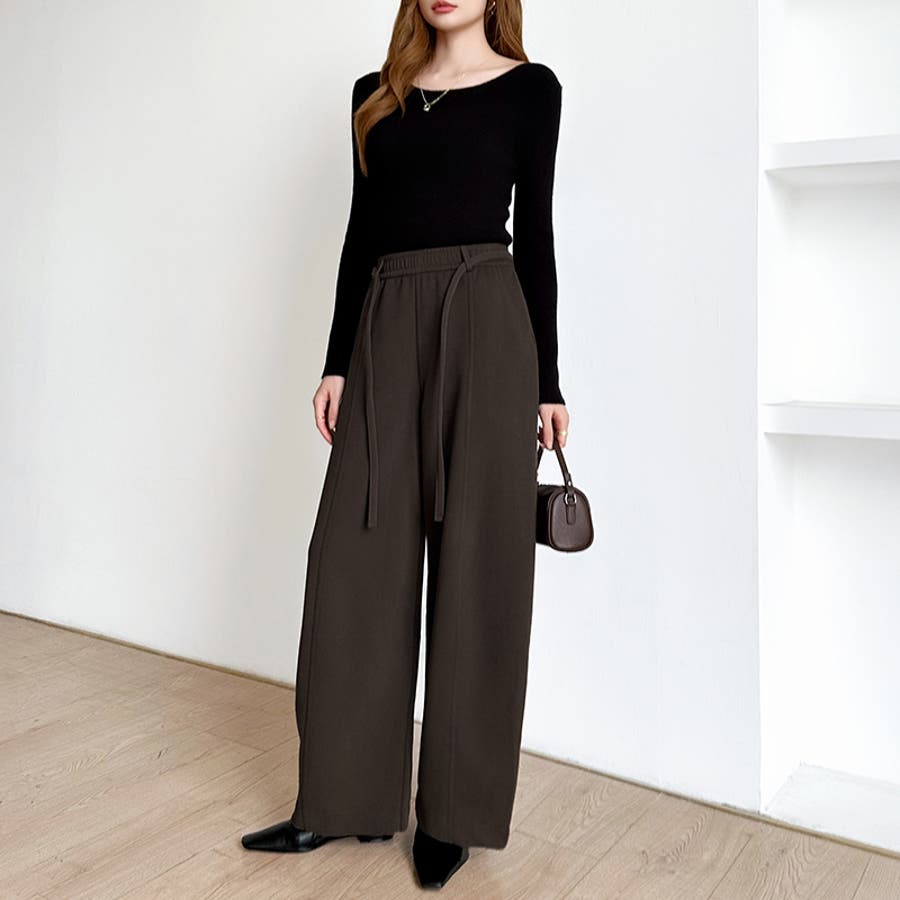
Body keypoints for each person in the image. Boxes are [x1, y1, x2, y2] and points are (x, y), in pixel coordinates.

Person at [242, 0, 569, 889]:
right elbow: (361, 233)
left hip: (486, 322)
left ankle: (453, 817)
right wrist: (336, 361)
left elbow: (535, 234)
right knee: (354, 558)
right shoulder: (375, 95)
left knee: (477, 571)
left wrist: (547, 382)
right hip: (385, 322)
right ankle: (340, 799)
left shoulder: (531, 90)